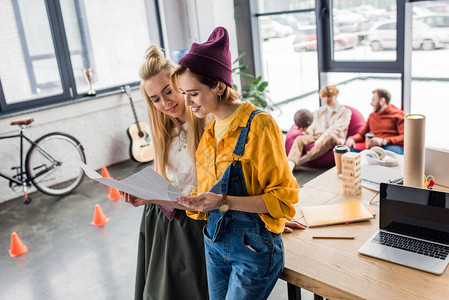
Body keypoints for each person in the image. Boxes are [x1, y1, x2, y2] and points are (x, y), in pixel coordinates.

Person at [171, 26, 300, 300]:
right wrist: (148, 198)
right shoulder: (209, 132)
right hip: (214, 244)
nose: (187, 102)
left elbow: (282, 200)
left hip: (252, 251)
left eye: (193, 92)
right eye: (183, 93)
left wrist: (221, 201)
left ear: (219, 85)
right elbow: (205, 198)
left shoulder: (258, 124)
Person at [120, 45, 208, 300]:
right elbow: (168, 178)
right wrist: (142, 191)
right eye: (155, 98)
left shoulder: (209, 126)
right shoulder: (163, 133)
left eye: (168, 91)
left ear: (181, 85)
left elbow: (213, 192)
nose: (165, 103)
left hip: (194, 227)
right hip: (159, 222)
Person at [287, 86, 352, 170]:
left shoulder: (345, 111)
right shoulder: (320, 111)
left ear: (335, 95)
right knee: (299, 139)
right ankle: (290, 165)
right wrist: (307, 131)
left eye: (329, 96)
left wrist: (322, 138)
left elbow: (337, 128)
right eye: (324, 96)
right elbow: (313, 127)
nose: (326, 99)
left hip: (335, 138)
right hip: (317, 136)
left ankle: (300, 162)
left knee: (330, 137)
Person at [345, 88, 405, 154]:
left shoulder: (399, 115)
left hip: (390, 146)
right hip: (374, 148)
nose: (371, 103)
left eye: (373, 100)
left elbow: (404, 137)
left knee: (389, 155)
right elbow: (361, 134)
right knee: (348, 151)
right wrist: (352, 138)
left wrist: (384, 141)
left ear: (382, 101)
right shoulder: (372, 116)